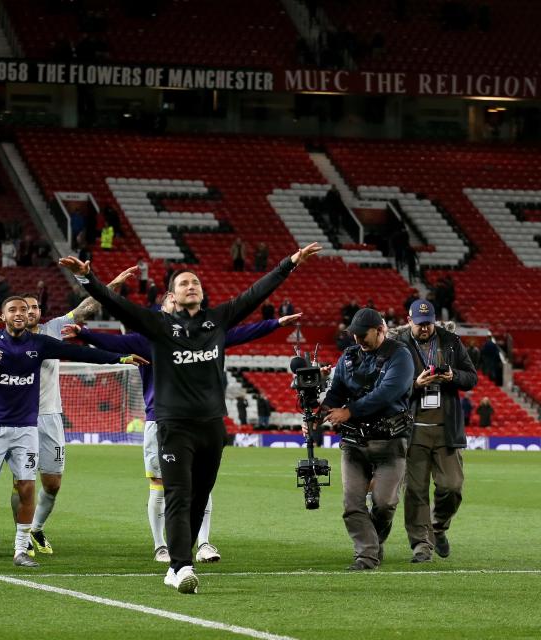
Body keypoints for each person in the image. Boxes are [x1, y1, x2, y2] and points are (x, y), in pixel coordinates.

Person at [60, 242, 321, 593]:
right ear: (171, 295)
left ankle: (177, 563)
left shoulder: (218, 320)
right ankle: (182, 566)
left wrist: (290, 263)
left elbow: (255, 293)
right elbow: (116, 304)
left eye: (195, 281)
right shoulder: (157, 325)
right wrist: (88, 278)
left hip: (213, 426)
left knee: (200, 497)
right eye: (183, 283)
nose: (191, 285)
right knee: (179, 495)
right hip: (173, 426)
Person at [67, 299, 301, 563]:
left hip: (197, 419)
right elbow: (113, 343)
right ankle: (161, 546)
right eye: (172, 301)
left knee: (201, 484)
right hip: (161, 420)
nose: (179, 306)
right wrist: (83, 333)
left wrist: (275, 323)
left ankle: (203, 544)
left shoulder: (204, 336)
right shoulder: (151, 339)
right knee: (159, 485)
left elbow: (238, 334)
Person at [0, 296, 145, 568]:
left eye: (24, 309)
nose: (20, 313)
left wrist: (120, 357)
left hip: (26, 429)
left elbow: (82, 353)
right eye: (13, 310)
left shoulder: (40, 343)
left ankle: (21, 549)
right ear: (3, 316)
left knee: (27, 487)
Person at [12, 270, 135, 557]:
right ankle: (21, 537)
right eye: (24, 307)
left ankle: (36, 528)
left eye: (34, 307)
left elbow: (87, 307)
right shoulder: (6, 338)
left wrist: (112, 284)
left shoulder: (53, 328)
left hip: (50, 416)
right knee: (22, 482)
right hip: (18, 419)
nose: (30, 312)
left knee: (52, 483)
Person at [315, 307, 414, 571]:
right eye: (354, 334)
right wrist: (319, 413)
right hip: (354, 443)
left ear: (380, 330)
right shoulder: (348, 358)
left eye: (363, 334)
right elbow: (335, 393)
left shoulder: (400, 356)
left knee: (384, 503)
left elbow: (388, 393)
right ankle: (367, 555)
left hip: (390, 442)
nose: (357, 339)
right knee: (352, 504)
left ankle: (372, 542)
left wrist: (350, 411)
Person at [395, 299, 477, 563]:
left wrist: (454, 376)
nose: (424, 328)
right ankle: (421, 545)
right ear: (409, 321)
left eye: (428, 323)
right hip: (413, 429)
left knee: (452, 487)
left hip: (446, 430)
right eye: (419, 324)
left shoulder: (451, 341)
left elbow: (471, 378)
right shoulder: (398, 345)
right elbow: (389, 385)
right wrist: (415, 385)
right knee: (415, 491)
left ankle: (438, 525)